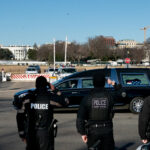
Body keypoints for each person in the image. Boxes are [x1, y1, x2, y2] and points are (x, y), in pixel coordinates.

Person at [15, 76, 68, 150]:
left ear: (36, 85)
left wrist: (22, 134)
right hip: (46, 134)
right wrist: (55, 90)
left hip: (31, 133)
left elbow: (19, 116)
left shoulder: (28, 97)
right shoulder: (50, 97)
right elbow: (66, 102)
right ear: (46, 85)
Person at [76, 72, 115, 150]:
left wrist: (82, 133)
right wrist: (113, 84)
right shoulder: (110, 96)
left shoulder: (87, 98)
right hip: (107, 130)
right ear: (104, 83)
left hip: (93, 131)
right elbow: (122, 93)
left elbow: (80, 118)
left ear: (93, 83)